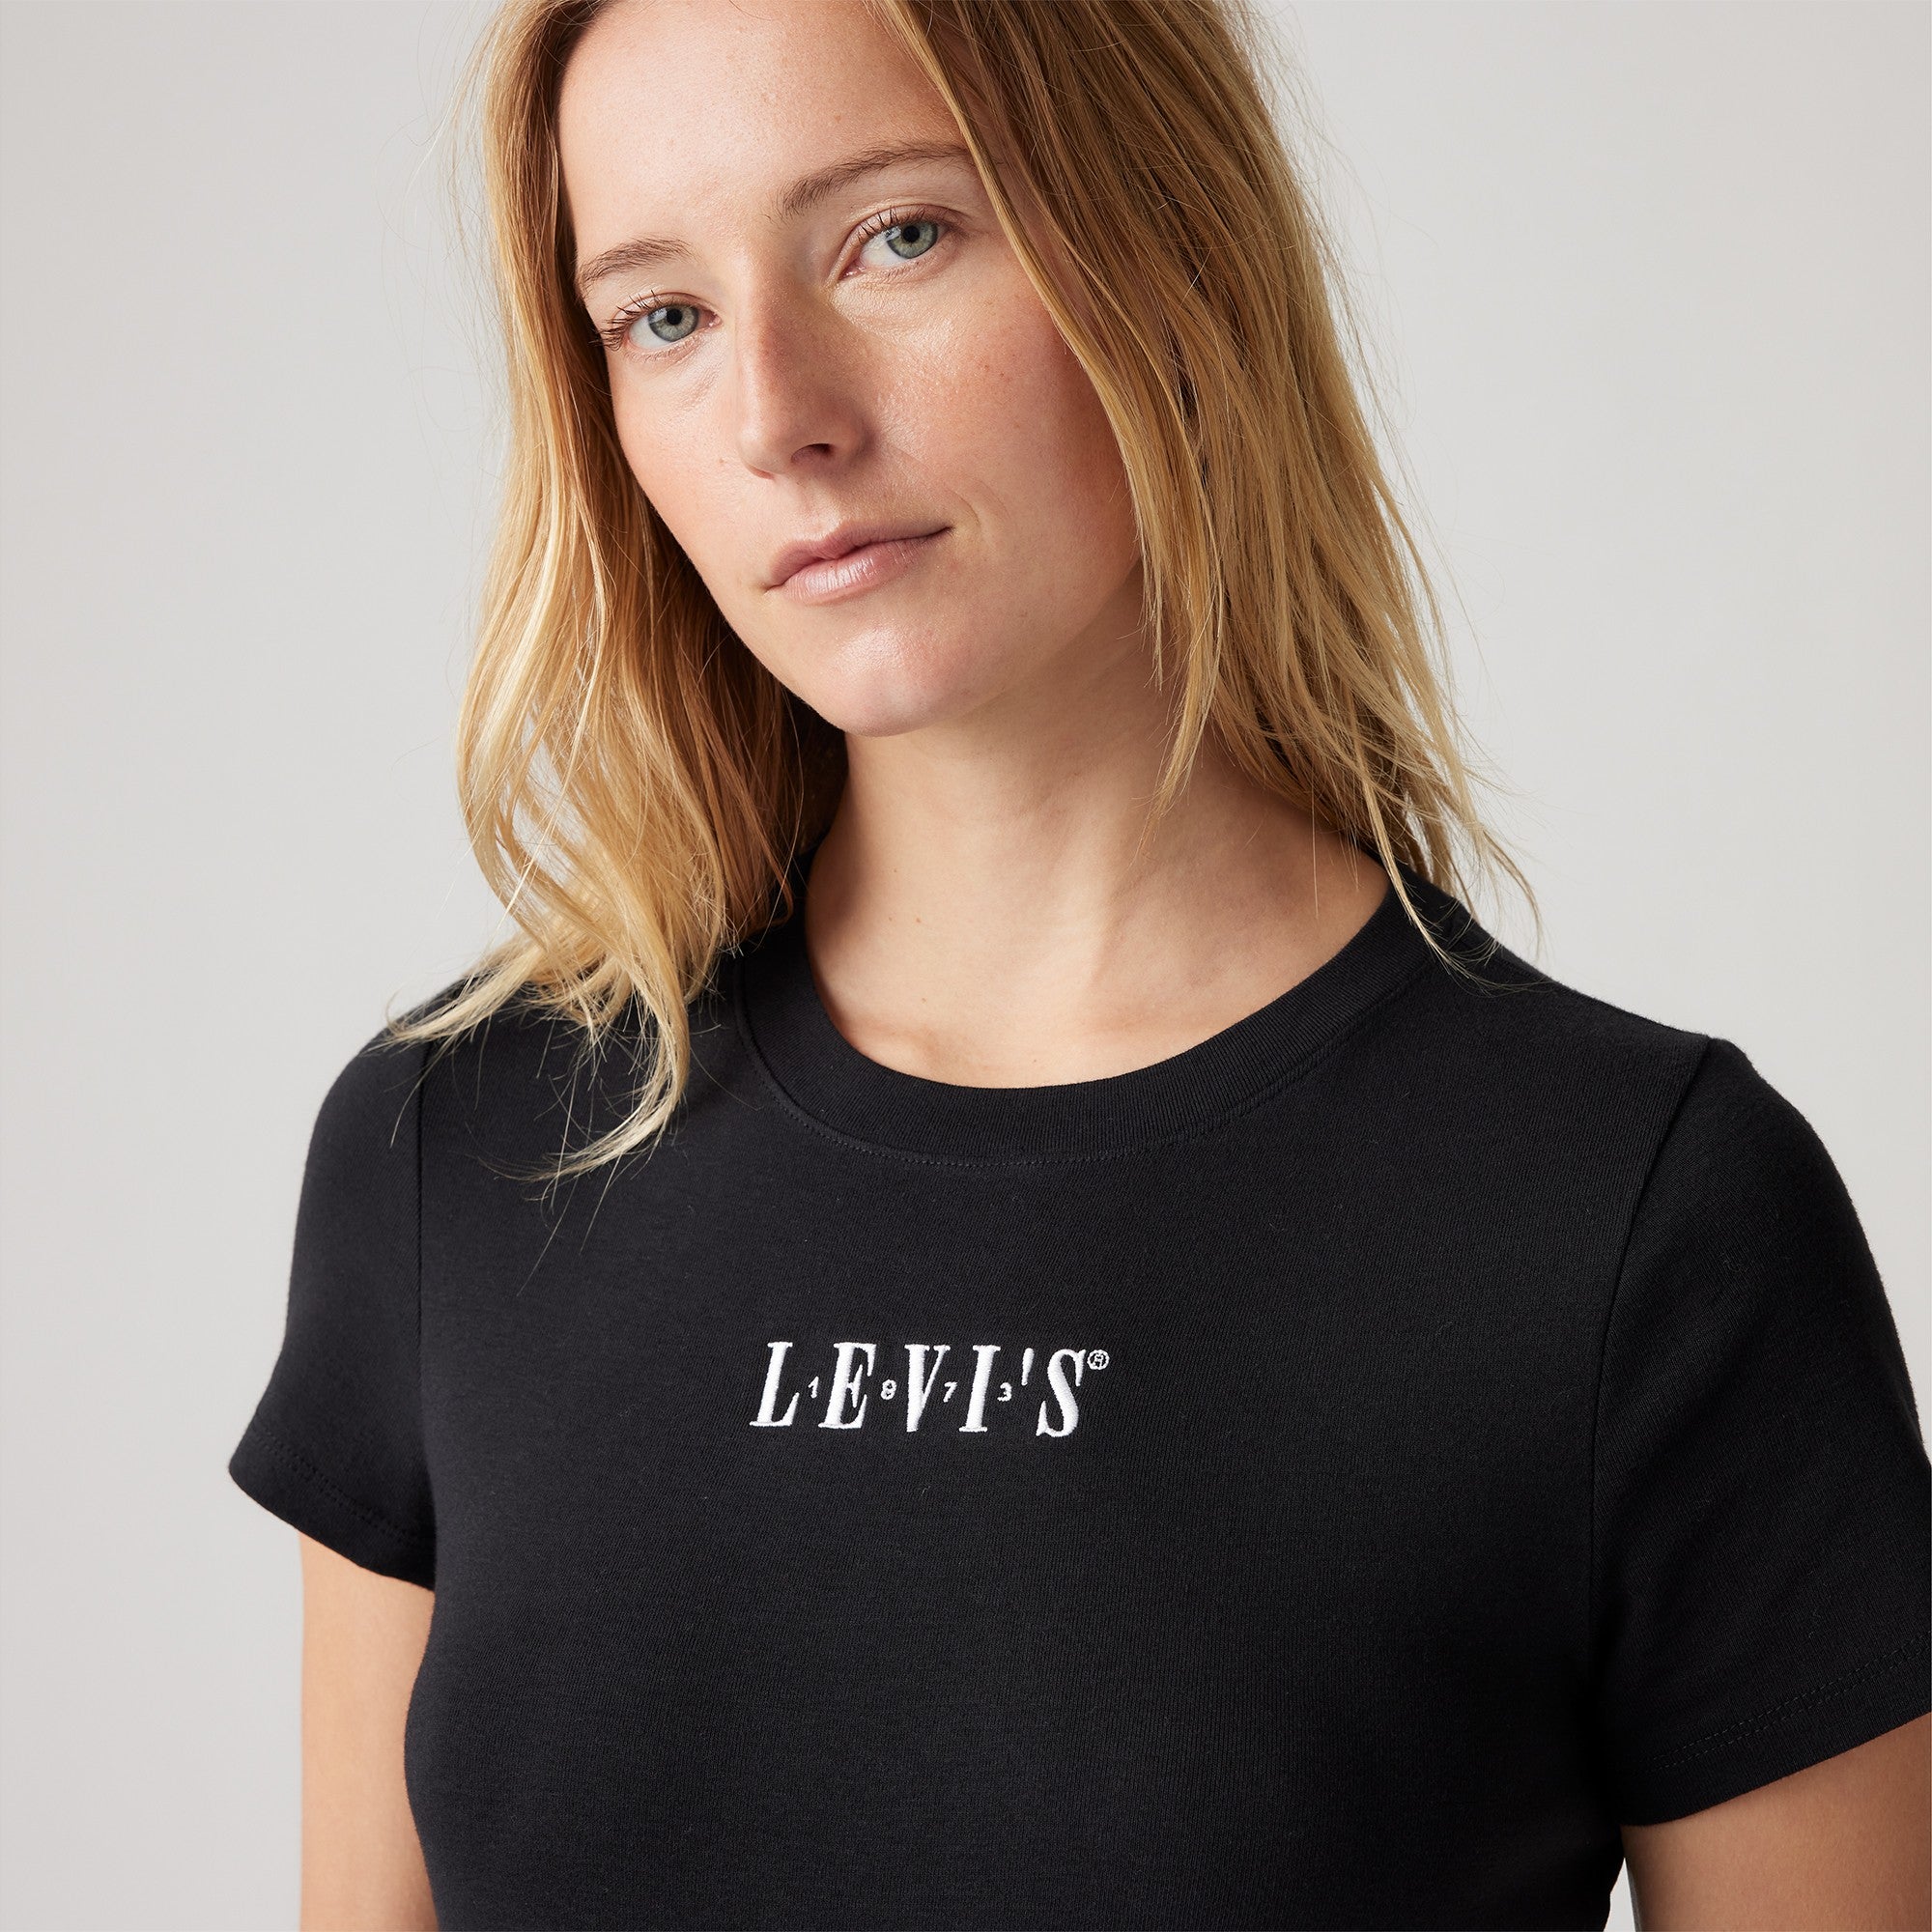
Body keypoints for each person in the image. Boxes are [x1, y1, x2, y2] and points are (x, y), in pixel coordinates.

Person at [227, 0, 1930, 1925]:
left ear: (1168, 250)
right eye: (664, 314)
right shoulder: (458, 1154)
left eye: (897, 235)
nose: (778, 414)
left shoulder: (1635, 1220)